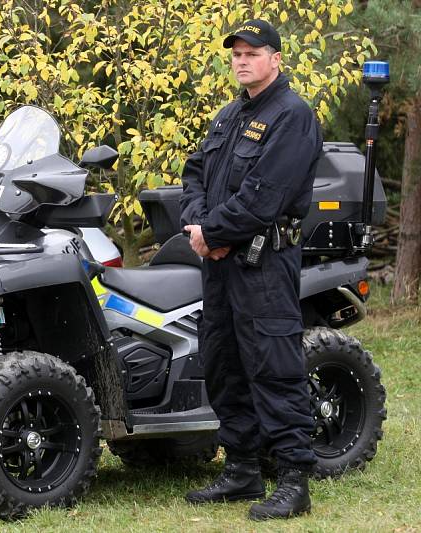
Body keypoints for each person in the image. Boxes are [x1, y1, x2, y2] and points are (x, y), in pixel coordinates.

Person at [179, 20, 322, 520]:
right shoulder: (227, 115)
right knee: (224, 364)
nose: (241, 60)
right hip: (220, 267)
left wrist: (211, 233)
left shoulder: (292, 115)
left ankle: (293, 480)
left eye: (252, 53)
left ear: (275, 59)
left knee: (274, 367)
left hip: (264, 264)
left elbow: (265, 196)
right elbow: (194, 173)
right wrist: (198, 226)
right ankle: (242, 470)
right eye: (236, 53)